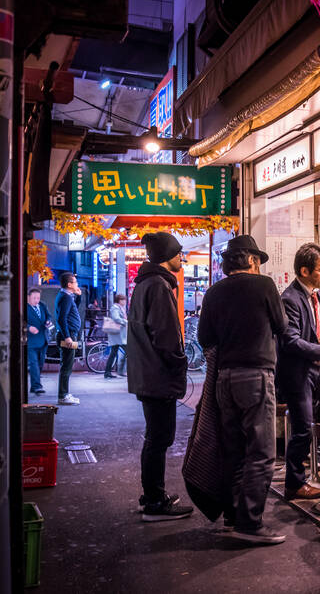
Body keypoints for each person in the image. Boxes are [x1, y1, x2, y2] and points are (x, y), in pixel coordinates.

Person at [198, 235, 289, 545]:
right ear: (251, 260)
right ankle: (250, 524)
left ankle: (232, 518)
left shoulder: (213, 292)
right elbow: (282, 327)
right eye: (258, 261)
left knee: (233, 451)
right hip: (256, 376)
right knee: (262, 452)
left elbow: (205, 338)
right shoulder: (264, 287)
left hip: (225, 378)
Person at [127, 232, 193, 522]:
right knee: (159, 438)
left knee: (155, 437)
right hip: (157, 375)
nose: (182, 258)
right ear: (168, 256)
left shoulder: (146, 283)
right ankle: (154, 501)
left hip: (147, 373)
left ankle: (152, 495)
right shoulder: (159, 285)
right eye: (179, 253)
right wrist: (180, 363)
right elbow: (165, 335)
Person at [276, 243, 320, 501]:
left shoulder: (318, 295)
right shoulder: (289, 299)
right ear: (304, 270)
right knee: (302, 428)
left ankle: (319, 469)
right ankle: (295, 484)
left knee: (316, 423)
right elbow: (289, 340)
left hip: (317, 371)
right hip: (298, 373)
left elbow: (314, 328)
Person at [55, 272, 83, 405]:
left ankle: (65, 393)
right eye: (75, 282)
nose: (77, 284)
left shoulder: (67, 296)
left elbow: (73, 310)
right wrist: (67, 337)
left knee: (67, 365)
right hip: (68, 336)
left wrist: (78, 297)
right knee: (66, 366)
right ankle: (63, 395)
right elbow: (61, 319)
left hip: (70, 334)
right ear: (69, 284)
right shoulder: (65, 297)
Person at [26, 288, 53, 395]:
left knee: (40, 364)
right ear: (28, 297)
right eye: (34, 298)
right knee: (34, 364)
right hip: (31, 341)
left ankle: (34, 386)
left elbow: (49, 316)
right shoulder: (25, 308)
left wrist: (48, 321)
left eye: (38, 298)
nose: (36, 300)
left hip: (43, 339)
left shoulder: (42, 305)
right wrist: (28, 327)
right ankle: (37, 386)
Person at [104, 293, 128, 379]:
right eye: (123, 300)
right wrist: (126, 322)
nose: (125, 301)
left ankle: (109, 372)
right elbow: (116, 318)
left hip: (119, 335)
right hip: (117, 335)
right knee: (129, 352)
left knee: (113, 353)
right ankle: (120, 371)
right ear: (119, 300)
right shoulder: (115, 308)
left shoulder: (120, 308)